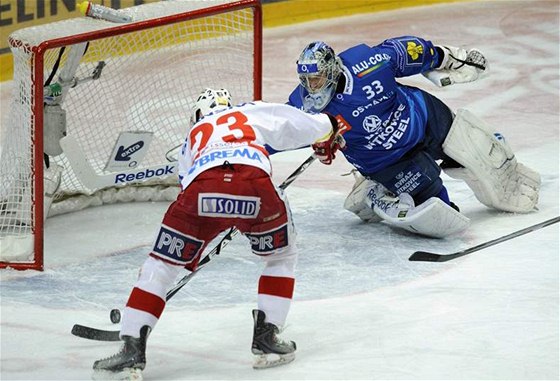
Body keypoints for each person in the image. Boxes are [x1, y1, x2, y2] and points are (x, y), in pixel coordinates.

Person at [92, 88, 339, 378]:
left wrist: (218, 219)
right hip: (255, 186)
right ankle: (267, 341)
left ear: (197, 114)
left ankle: (131, 350)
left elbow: (189, 187)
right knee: (281, 257)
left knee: (162, 264)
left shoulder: (192, 138)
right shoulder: (246, 111)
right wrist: (329, 132)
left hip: (201, 191)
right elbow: (302, 123)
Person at [288, 38, 541, 238]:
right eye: (306, 80)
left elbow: (409, 51)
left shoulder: (369, 63)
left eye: (316, 78)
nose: (312, 87)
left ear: (332, 71)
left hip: (424, 117)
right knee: (440, 212)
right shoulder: (302, 107)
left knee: (481, 156)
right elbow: (275, 131)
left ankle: (492, 159)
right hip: (388, 161)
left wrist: (449, 57)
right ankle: (376, 188)